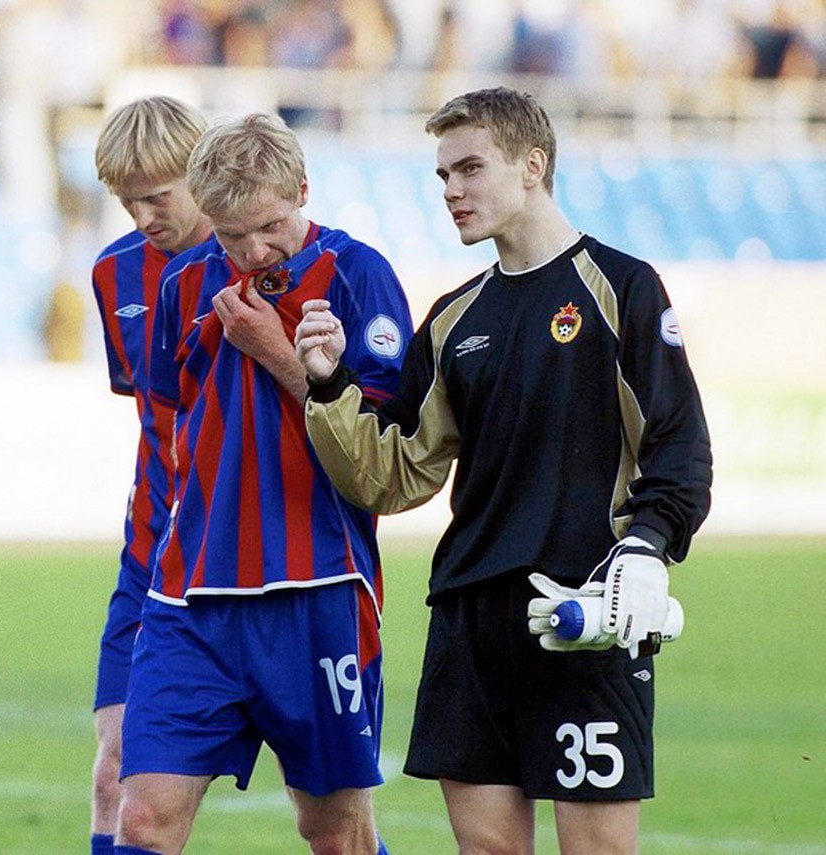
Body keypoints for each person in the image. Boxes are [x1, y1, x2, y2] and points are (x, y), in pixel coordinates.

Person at [296, 87, 712, 855]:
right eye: (442, 175)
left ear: (532, 165)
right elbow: (394, 473)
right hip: (470, 617)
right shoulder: (455, 318)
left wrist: (647, 545)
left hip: (585, 612)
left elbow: (679, 446)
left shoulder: (620, 288)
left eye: (469, 168)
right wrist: (326, 384)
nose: (452, 190)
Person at [114, 112, 413, 855]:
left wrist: (281, 355)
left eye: (270, 226)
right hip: (192, 597)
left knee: (332, 828)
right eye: (228, 234)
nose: (251, 251)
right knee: (143, 816)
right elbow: (173, 425)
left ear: (303, 189)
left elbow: (385, 443)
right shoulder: (183, 283)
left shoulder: (358, 273)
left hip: (318, 589)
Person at [90, 95, 213, 855]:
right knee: (114, 773)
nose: (141, 216)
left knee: (329, 817)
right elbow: (147, 413)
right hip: (152, 556)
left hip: (256, 561)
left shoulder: (259, 264)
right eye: (126, 200)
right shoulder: (114, 275)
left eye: (157, 196)